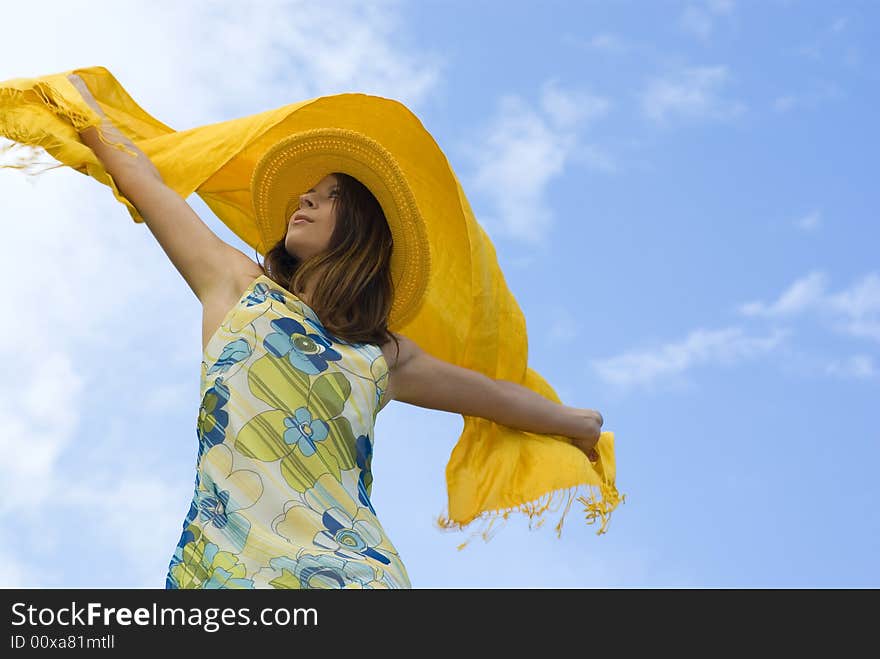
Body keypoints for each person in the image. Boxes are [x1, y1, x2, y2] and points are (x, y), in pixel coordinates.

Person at [55, 74, 606, 588]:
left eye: (330, 194)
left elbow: (492, 397)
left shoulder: (379, 354)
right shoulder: (235, 287)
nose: (306, 199)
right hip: (224, 568)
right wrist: (82, 104)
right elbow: (144, 181)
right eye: (307, 192)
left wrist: (576, 423)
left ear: (361, 230)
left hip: (351, 574)